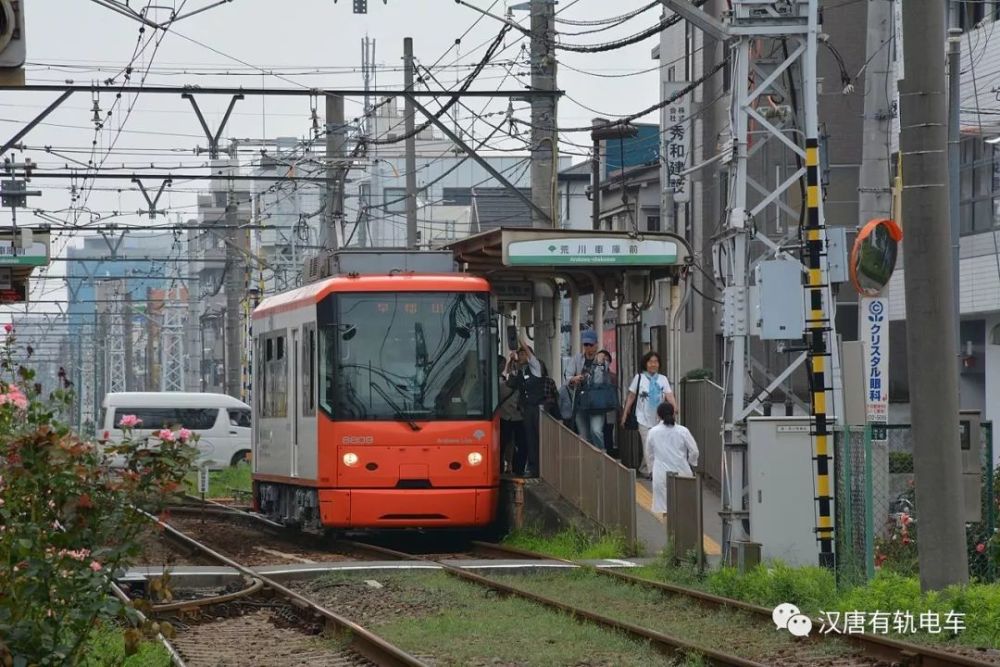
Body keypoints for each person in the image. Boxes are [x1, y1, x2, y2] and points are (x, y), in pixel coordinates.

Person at [621, 350, 678, 477]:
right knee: (647, 444)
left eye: (656, 362)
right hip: (643, 417)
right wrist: (625, 414)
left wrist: (674, 407)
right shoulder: (639, 378)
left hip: (659, 419)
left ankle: (643, 468)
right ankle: (653, 472)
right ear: (645, 364)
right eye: (650, 362)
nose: (653, 364)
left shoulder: (663, 379)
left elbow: (669, 395)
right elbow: (631, 396)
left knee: (656, 445)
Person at [647, 402, 699, 514]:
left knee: (664, 509)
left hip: (660, 473)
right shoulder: (683, 431)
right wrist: (691, 463)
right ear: (673, 414)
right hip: (682, 472)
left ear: (658, 415)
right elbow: (694, 451)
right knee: (684, 508)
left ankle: (669, 531)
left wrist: (651, 470)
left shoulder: (653, 432)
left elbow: (649, 455)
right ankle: (683, 530)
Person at [505, 342, 545, 477]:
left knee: (539, 438)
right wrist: (513, 364)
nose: (520, 356)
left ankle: (540, 467)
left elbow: (529, 354)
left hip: (537, 407)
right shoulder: (520, 371)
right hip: (527, 408)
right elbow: (511, 383)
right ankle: (533, 467)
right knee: (530, 438)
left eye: (523, 354)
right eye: (519, 354)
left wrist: (518, 338)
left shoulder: (536, 367)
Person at [564, 329, 606, 449]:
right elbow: (567, 377)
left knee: (596, 430)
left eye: (590, 344)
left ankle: (601, 456)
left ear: (596, 344)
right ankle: (589, 462)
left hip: (597, 402)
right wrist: (574, 379)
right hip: (580, 401)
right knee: (583, 436)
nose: (588, 347)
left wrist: (598, 363)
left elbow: (600, 380)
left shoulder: (602, 359)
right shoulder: (577, 358)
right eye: (585, 344)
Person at [497, 355, 525, 475]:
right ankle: (508, 467)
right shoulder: (500, 383)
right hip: (506, 416)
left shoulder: (502, 381)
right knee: (504, 443)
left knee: (511, 443)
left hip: (513, 416)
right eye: (502, 364)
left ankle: (512, 467)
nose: (503, 367)